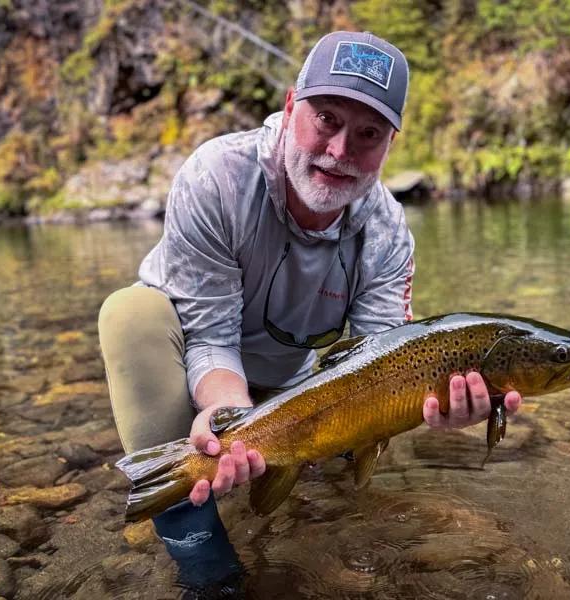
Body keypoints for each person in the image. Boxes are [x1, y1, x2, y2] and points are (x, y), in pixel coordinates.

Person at [98, 31, 522, 591]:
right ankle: (197, 547)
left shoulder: (388, 232)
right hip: (198, 372)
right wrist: (228, 420)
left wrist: (433, 408)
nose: (341, 151)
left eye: (368, 133)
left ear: (391, 143)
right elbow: (209, 335)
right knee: (129, 314)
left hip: (298, 393)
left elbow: (384, 361)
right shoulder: (218, 177)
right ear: (291, 105)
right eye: (326, 119)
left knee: (358, 452)